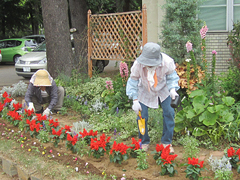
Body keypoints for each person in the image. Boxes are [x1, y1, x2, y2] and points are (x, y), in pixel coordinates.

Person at [126, 42, 180, 153]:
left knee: (169, 112)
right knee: (142, 116)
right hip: (144, 91)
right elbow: (133, 82)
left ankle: (166, 142)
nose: (149, 65)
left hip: (164, 89)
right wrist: (135, 100)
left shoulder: (167, 62)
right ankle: (144, 141)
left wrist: (173, 90)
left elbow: (171, 77)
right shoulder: (138, 65)